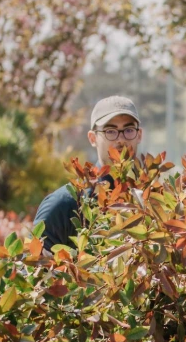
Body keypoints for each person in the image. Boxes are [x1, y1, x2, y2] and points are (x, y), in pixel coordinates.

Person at [34, 95, 143, 253]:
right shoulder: (63, 205)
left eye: (128, 130)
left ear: (139, 135)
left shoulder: (152, 200)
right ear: (93, 138)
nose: (121, 139)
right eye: (110, 131)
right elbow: (34, 271)